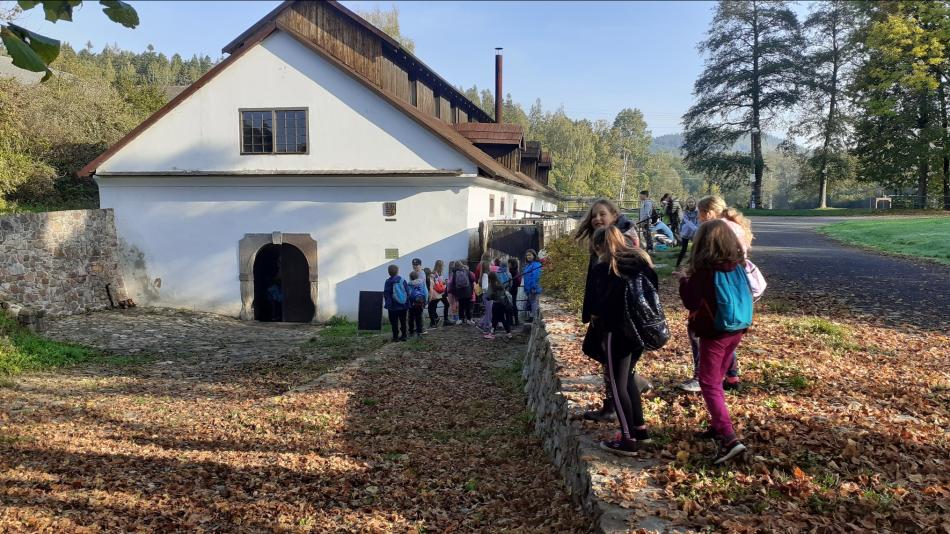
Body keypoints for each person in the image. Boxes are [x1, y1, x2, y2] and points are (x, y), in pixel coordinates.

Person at [674, 219, 750, 464]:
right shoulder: (737, 265)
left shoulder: (705, 272)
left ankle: (730, 438)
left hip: (714, 332)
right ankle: (717, 426)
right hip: (736, 328)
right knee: (717, 377)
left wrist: (684, 280)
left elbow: (691, 302)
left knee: (708, 381)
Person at [574, 198, 652, 422]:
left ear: (615, 216)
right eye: (594, 216)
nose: (597, 219)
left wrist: (598, 311)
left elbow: (617, 284)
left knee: (617, 369)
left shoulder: (619, 241)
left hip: (617, 321)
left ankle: (619, 413)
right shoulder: (606, 238)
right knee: (604, 358)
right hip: (614, 319)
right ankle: (626, 397)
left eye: (602, 214)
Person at [589, 226, 657, 456]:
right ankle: (640, 431)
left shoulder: (604, 269)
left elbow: (597, 306)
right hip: (638, 331)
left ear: (599, 246)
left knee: (617, 386)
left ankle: (627, 439)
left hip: (614, 332)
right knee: (627, 379)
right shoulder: (641, 262)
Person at [678, 195, 753, 392]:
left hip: (718, 289)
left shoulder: (717, 228)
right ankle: (731, 375)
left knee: (703, 331)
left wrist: (686, 279)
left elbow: (692, 300)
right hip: (736, 288)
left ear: (708, 212)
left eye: (700, 214)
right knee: (729, 330)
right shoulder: (734, 225)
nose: (700, 219)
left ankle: (704, 376)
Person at [483, 271, 514, 340]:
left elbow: (489, 296)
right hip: (502, 303)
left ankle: (492, 333)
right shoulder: (500, 283)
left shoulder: (492, 285)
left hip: (496, 304)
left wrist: (488, 296)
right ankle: (508, 333)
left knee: (495, 319)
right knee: (501, 319)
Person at [383, 264, 409, 342]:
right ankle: (404, 335)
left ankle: (395, 337)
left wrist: (388, 301)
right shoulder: (402, 280)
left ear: (388, 272)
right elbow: (407, 291)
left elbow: (386, 293)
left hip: (392, 306)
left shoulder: (388, 281)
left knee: (394, 322)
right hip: (403, 305)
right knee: (403, 320)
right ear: (397, 271)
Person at [449, 259, 475, 324]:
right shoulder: (467, 271)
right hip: (468, 291)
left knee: (461, 305)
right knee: (468, 305)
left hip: (459, 292)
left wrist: (453, 292)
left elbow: (452, 283)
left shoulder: (454, 273)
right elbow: (473, 279)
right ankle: (469, 319)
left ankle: (461, 319)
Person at [676, 197, 699, 268]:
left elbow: (699, 220)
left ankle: (695, 264)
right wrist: (681, 231)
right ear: (687, 203)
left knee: (696, 248)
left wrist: (697, 229)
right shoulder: (685, 212)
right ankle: (677, 264)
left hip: (696, 232)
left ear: (695, 203)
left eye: (692, 202)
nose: (691, 203)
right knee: (683, 249)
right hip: (686, 232)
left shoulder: (698, 211)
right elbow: (686, 222)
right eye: (689, 202)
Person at [522, 249, 543, 322]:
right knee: (532, 303)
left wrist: (534, 287)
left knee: (534, 303)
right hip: (529, 288)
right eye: (527, 255)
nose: (528, 256)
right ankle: (532, 317)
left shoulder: (536, 265)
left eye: (530, 255)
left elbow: (536, 277)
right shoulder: (528, 265)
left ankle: (534, 318)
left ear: (534, 255)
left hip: (534, 288)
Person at [428, 260, 450, 328]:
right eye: (443, 266)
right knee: (432, 307)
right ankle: (435, 321)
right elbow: (435, 284)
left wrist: (444, 282)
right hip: (437, 292)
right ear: (440, 266)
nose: (443, 267)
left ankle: (439, 320)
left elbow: (439, 283)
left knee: (433, 306)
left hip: (440, 292)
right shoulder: (434, 273)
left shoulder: (437, 273)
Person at [407, 270, 428, 338]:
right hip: (420, 303)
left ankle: (411, 331)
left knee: (411, 317)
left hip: (412, 304)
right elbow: (425, 292)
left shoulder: (409, 284)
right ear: (418, 276)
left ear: (410, 277)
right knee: (419, 317)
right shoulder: (422, 283)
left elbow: (408, 294)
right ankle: (419, 331)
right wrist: (425, 301)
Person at [507, 257, 521, 326]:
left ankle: (512, 321)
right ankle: (516, 320)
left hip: (512, 290)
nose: (508, 264)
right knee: (514, 305)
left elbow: (514, 282)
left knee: (511, 305)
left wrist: (510, 289)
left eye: (509, 263)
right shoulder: (516, 271)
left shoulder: (512, 271)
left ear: (512, 264)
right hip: (514, 290)